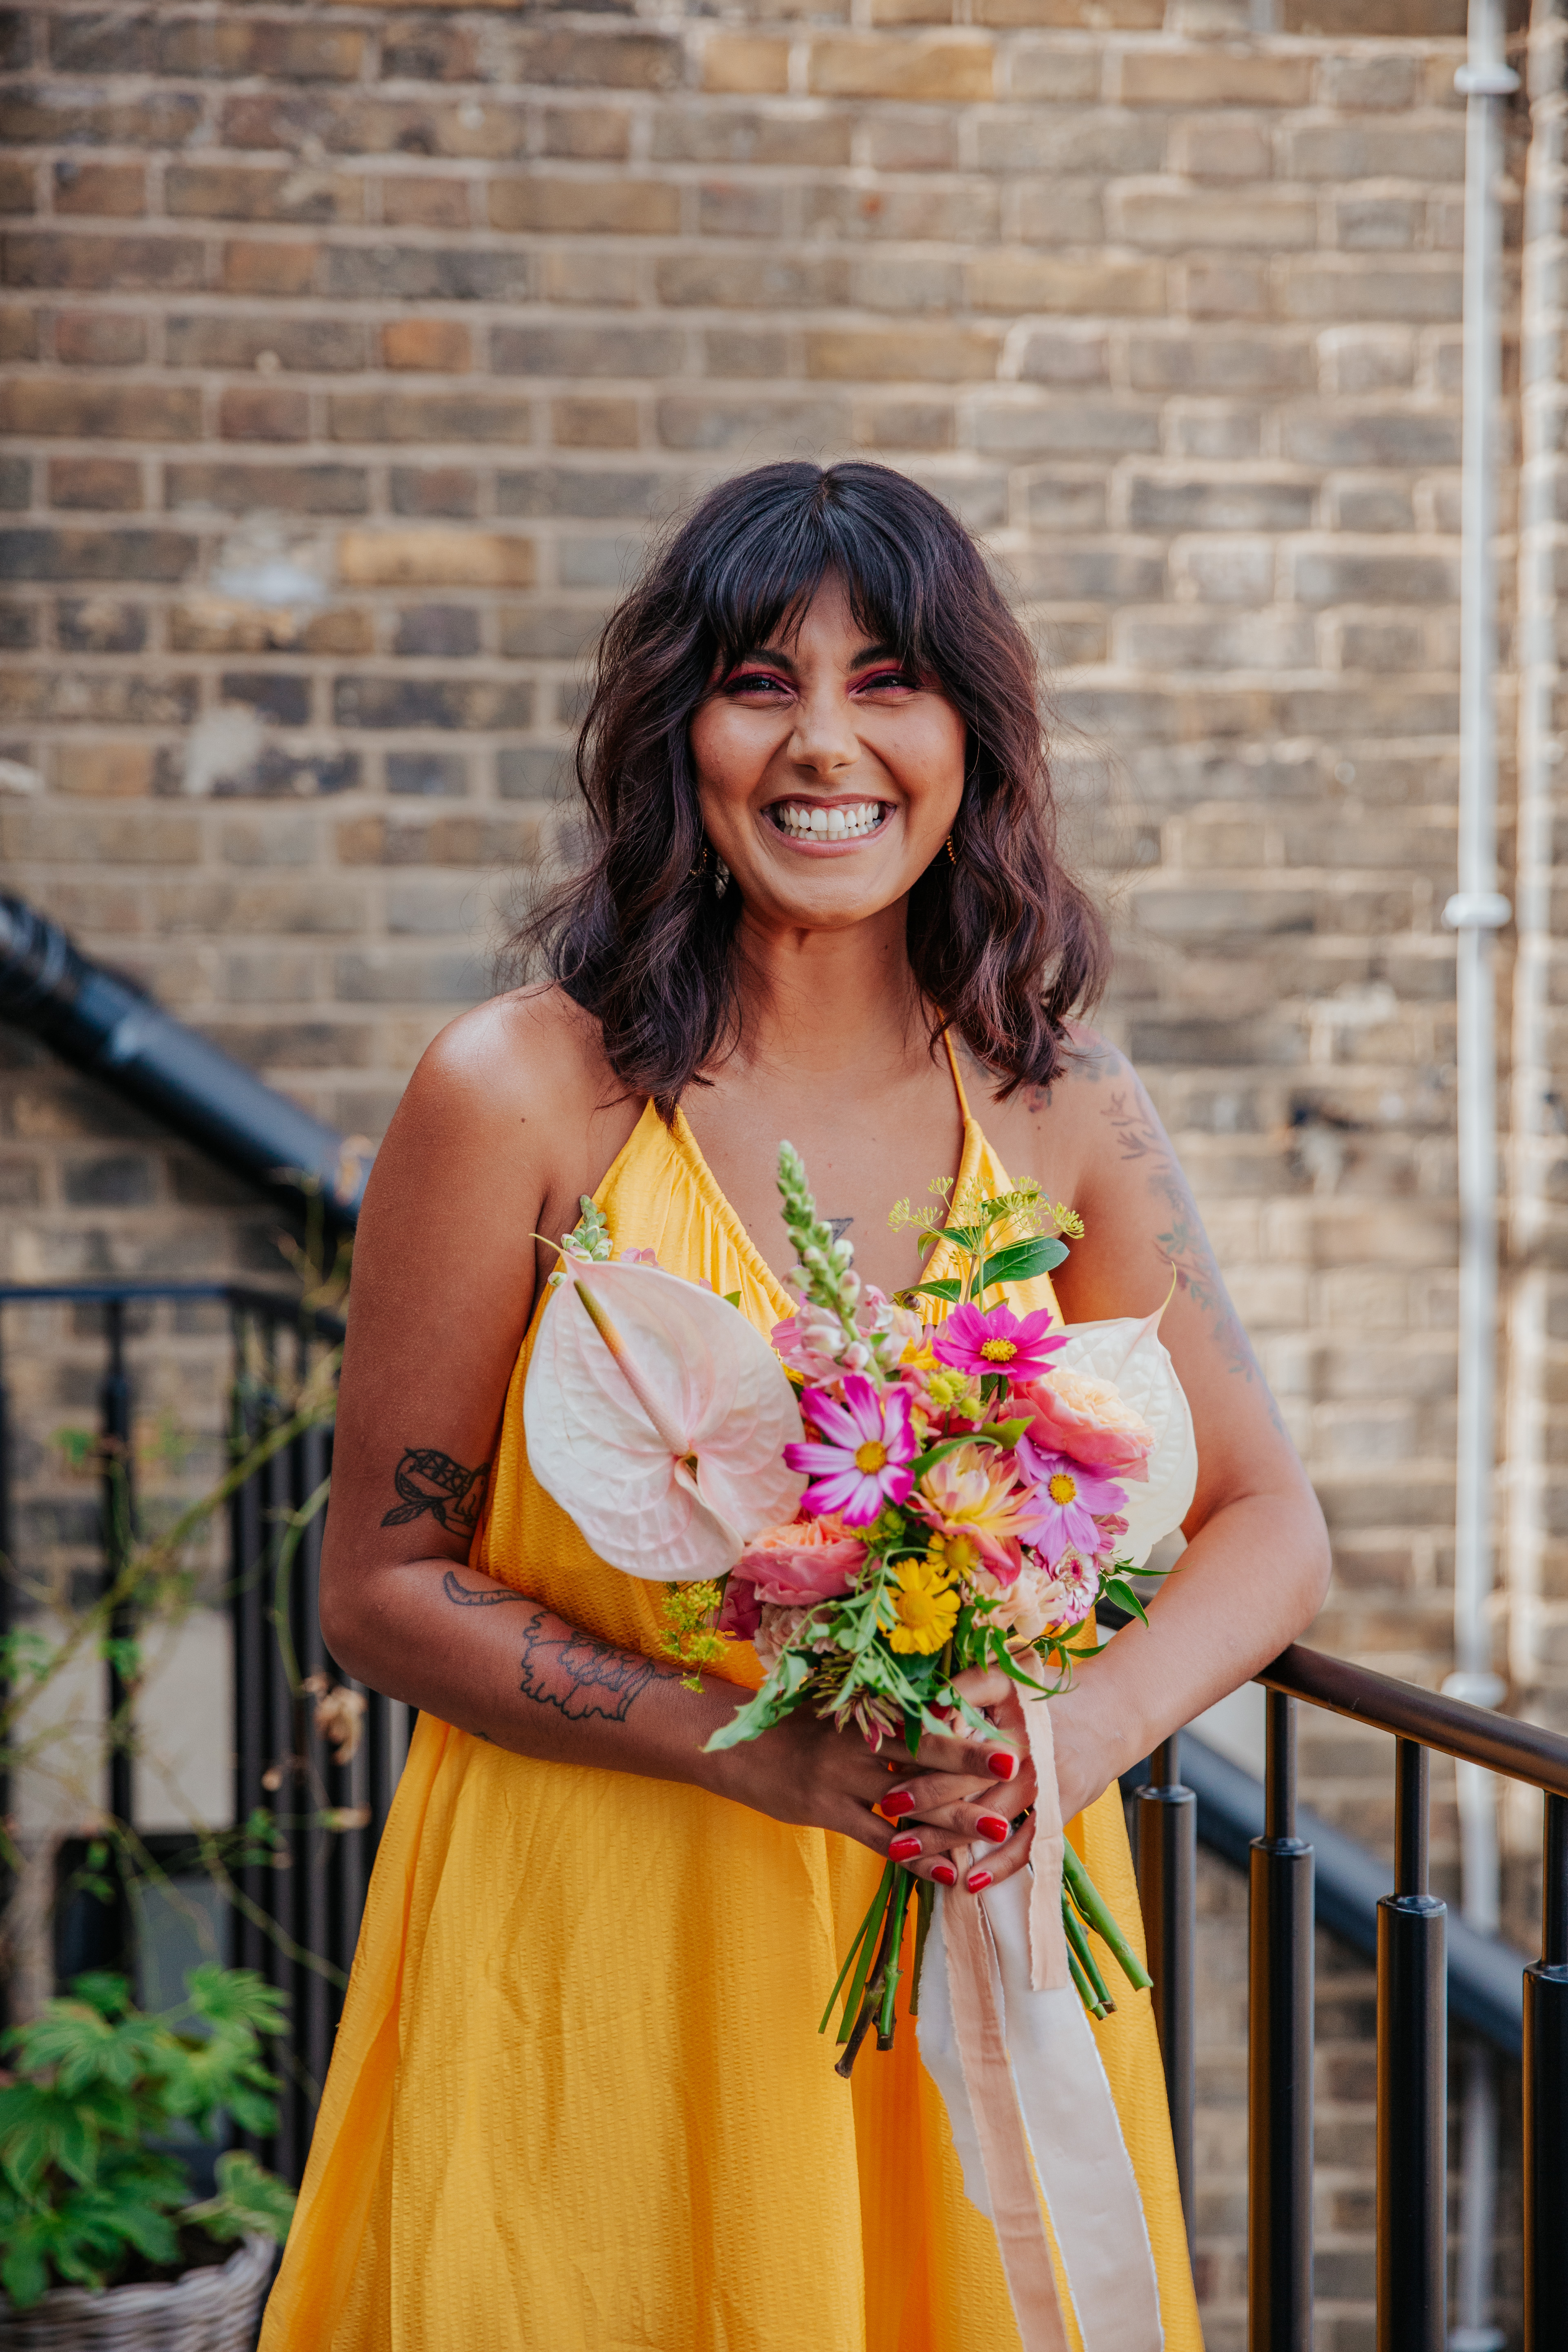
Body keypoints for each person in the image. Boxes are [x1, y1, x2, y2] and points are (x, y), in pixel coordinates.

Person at [260, 460, 1330, 2351]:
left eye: (888, 678)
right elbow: (378, 1586)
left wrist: (1064, 1743)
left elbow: (1268, 1522)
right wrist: (751, 1749)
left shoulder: (1065, 1098)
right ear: (678, 734)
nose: (823, 741)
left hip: (975, 1933)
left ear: (970, 739)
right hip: (602, 1945)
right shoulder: (518, 1090)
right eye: (761, 680)